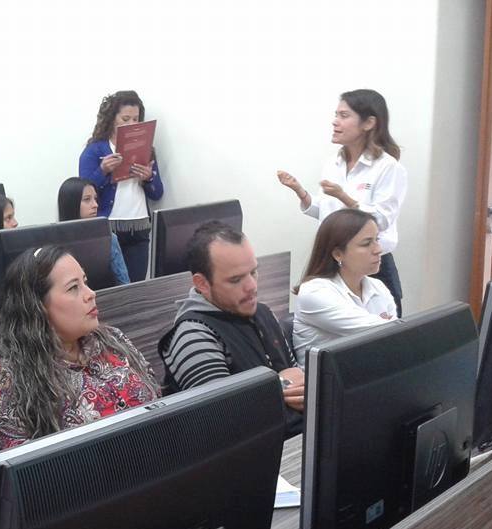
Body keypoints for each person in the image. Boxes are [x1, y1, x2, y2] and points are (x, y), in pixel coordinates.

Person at [0, 245, 160, 454]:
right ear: (38, 306)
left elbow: (159, 400)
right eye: (73, 288)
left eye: (85, 282)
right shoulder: (4, 379)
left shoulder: (112, 340)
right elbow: (20, 467)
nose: (91, 294)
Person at [157, 221, 304, 437]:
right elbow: (222, 421)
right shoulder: (193, 335)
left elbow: (296, 379)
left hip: (293, 441)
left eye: (253, 272)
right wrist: (281, 385)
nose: (252, 286)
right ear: (202, 284)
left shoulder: (263, 313)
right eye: (236, 280)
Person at [276, 88, 407, 316]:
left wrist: (344, 197)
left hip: (371, 266)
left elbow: (382, 220)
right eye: (336, 115)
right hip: (334, 261)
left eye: (344, 116)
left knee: (382, 331)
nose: (335, 122)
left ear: (369, 123)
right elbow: (330, 215)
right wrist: (302, 193)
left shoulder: (388, 167)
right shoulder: (333, 163)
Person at [292, 209, 397, 367]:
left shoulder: (378, 286)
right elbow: (384, 333)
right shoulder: (314, 292)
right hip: (329, 381)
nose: (378, 250)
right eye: (366, 243)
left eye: (377, 239)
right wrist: (388, 325)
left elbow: (394, 339)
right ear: (338, 254)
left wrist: (390, 327)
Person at [78, 90, 164, 282]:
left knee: (135, 287)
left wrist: (149, 178)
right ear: (111, 119)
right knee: (109, 285)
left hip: (139, 227)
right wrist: (103, 170)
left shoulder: (146, 150)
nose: (132, 124)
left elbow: (157, 193)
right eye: (125, 119)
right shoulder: (95, 150)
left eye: (136, 119)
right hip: (107, 228)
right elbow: (82, 194)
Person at [57, 176, 130, 285]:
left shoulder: (108, 238)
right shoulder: (54, 243)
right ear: (71, 203)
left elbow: (124, 283)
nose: (95, 205)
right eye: (87, 199)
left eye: (95, 199)